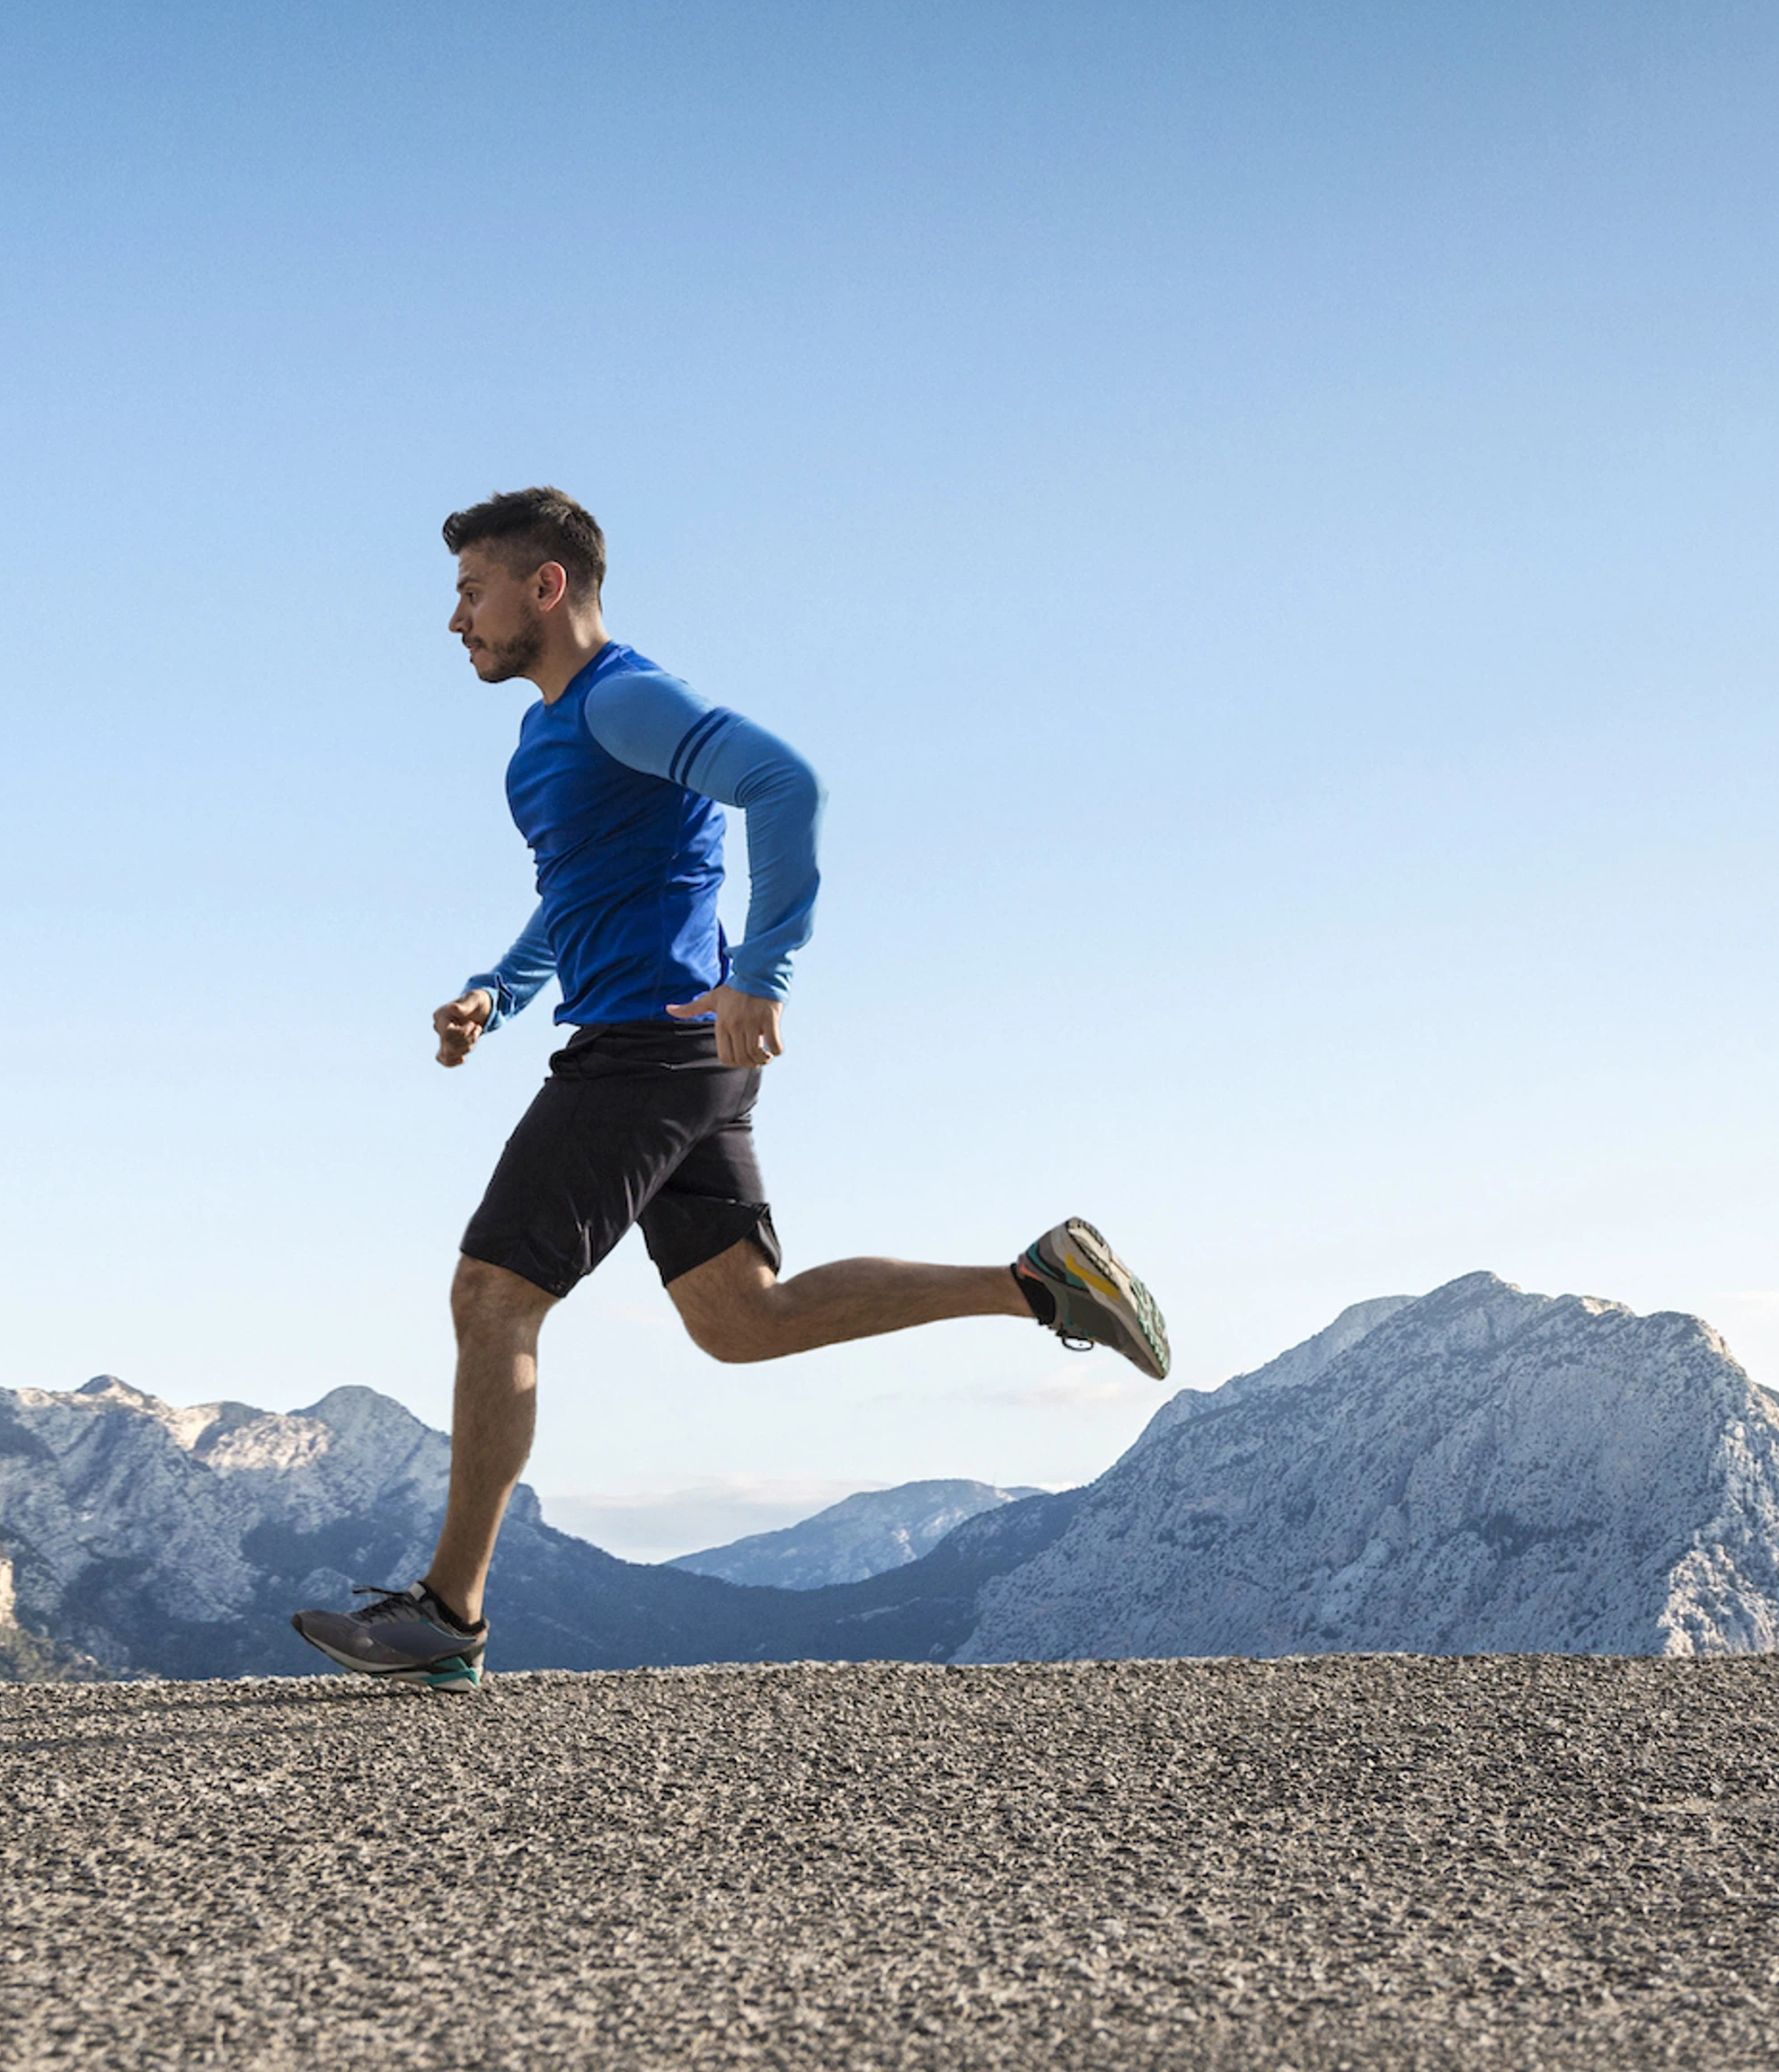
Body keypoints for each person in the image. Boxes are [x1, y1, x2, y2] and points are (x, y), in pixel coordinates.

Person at [290, 487, 1168, 1691]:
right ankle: (1040, 1283)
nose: (455, 620)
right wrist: (499, 992)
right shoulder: (549, 733)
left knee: (492, 1295)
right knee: (742, 1320)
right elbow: (580, 893)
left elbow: (787, 782)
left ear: (547, 586)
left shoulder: (624, 697)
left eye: (471, 592)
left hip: (649, 1050)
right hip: (672, 1053)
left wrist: (764, 971)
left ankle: (449, 1616)